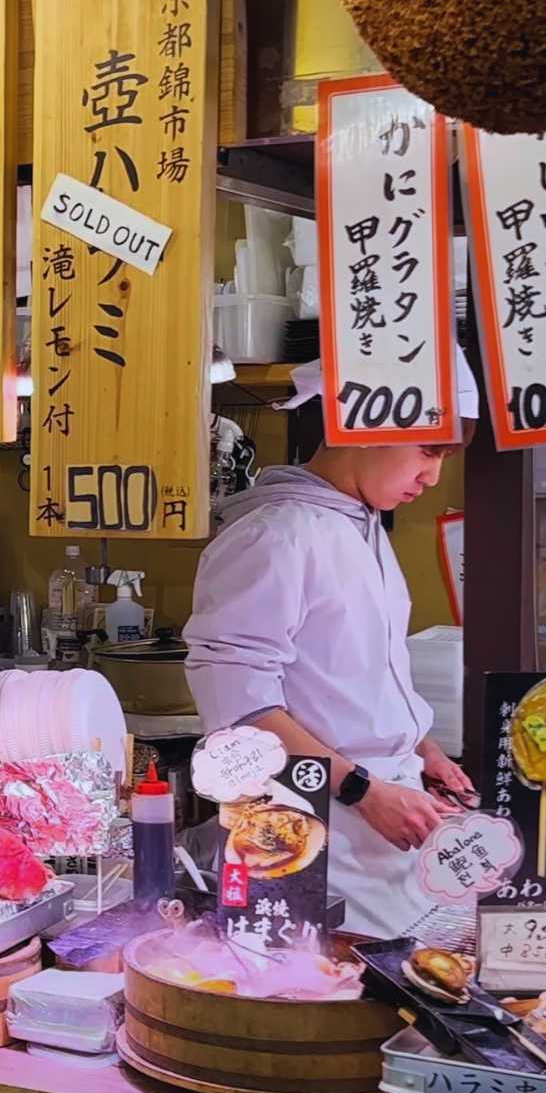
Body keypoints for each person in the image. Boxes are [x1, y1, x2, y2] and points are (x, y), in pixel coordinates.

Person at [183, 362, 477, 940]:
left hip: (387, 816)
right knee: (335, 993)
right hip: (309, 827)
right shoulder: (275, 534)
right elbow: (240, 711)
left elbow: (362, 673)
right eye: (428, 450)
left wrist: (425, 751)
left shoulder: (360, 526)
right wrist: (361, 790)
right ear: (361, 426)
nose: (432, 476)